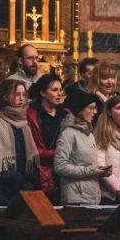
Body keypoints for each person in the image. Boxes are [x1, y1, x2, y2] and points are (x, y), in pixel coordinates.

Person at [0, 79, 40, 206]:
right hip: (0, 189)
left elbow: (29, 156)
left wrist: (30, 181)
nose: (21, 98)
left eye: (24, 94)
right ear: (5, 96)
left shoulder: (24, 122)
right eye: (17, 94)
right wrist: (20, 181)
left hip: (22, 189)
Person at [54, 91, 110, 205]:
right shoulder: (68, 134)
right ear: (80, 111)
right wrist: (90, 170)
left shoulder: (89, 134)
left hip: (92, 197)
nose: (95, 112)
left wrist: (101, 171)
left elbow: (88, 165)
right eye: (91, 108)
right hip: (76, 199)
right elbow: (60, 166)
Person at [26, 75, 67, 203]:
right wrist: (58, 154)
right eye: (54, 90)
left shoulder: (66, 114)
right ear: (43, 93)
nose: (59, 94)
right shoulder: (32, 115)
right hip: (40, 171)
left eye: (60, 90)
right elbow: (31, 149)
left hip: (63, 171)